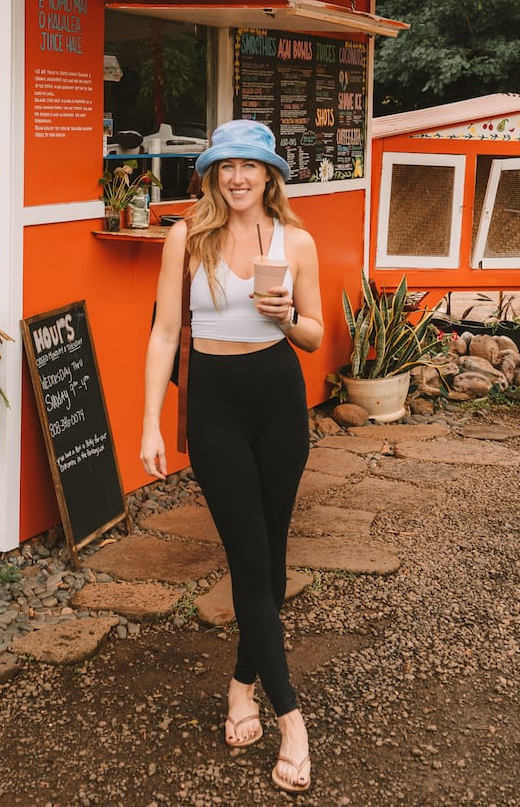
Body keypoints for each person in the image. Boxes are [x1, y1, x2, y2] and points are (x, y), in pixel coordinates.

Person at [141, 118, 323, 795]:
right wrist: (148, 425)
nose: (238, 177)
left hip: (279, 402)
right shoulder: (187, 237)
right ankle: (291, 720)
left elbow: (315, 332)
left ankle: (241, 684)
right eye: (226, 167)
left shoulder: (296, 241)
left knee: (270, 565)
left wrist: (281, 317)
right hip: (214, 407)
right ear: (213, 175)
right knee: (249, 559)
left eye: (251, 166)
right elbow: (164, 333)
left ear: (270, 174)